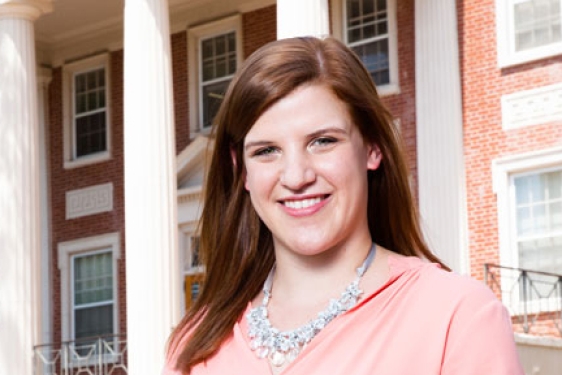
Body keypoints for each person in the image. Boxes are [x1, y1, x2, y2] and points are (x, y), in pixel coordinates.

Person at [164, 37, 523, 375]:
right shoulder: (196, 343)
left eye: (322, 141)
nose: (296, 176)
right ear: (240, 169)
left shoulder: (456, 315)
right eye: (266, 151)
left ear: (371, 148)